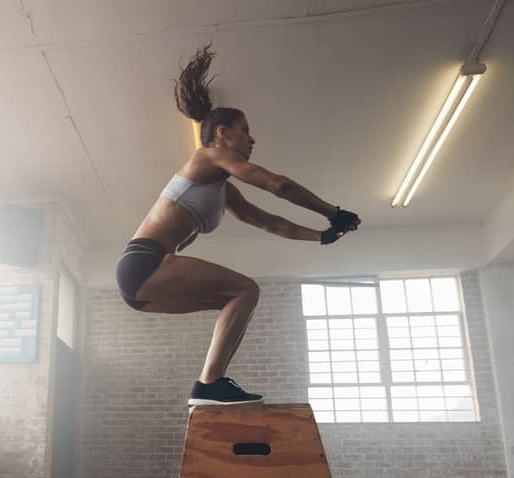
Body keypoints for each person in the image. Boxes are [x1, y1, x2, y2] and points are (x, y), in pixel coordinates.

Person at [116, 44, 361, 406]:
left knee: (239, 296)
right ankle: (209, 384)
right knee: (245, 289)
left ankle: (210, 384)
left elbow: (268, 222)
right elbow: (278, 185)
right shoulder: (207, 158)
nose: (251, 139)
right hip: (145, 261)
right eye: (244, 130)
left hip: (140, 288)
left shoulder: (222, 190)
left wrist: (322, 236)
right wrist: (332, 211)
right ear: (221, 134)